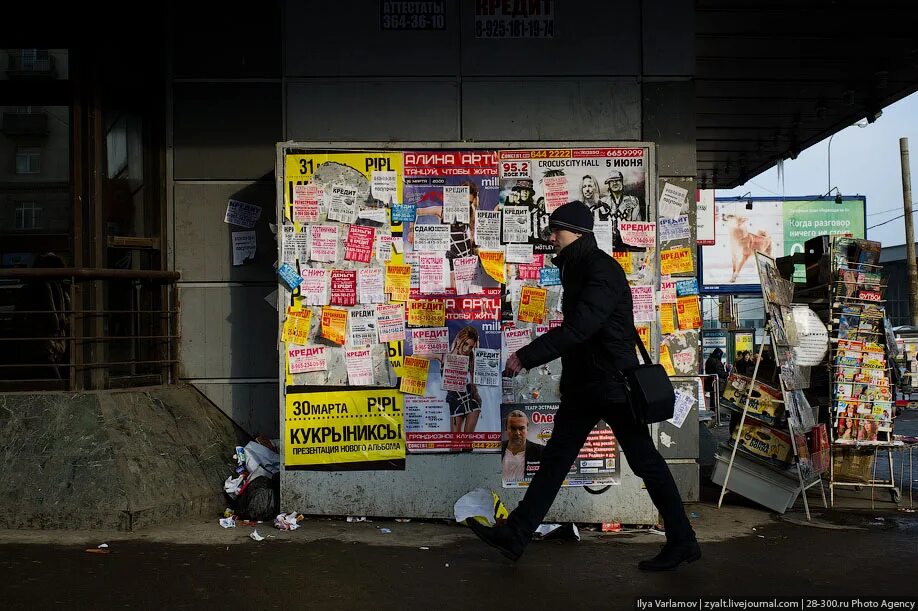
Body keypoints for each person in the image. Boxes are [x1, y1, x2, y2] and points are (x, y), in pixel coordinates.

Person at [465, 201, 700, 571]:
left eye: (555, 232)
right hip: (587, 387)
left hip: (612, 385)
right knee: (555, 461)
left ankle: (683, 540)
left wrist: (527, 356)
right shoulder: (578, 269)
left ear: (573, 232)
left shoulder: (600, 270)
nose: (551, 240)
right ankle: (517, 533)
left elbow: (580, 328)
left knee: (645, 463)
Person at [445, 326, 482, 438]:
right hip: (455, 402)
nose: (467, 349)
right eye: (465, 344)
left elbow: (474, 380)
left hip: (472, 401)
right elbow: (420, 354)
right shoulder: (445, 356)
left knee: (467, 443)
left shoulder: (472, 359)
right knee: (455, 444)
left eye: (470, 347)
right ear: (458, 340)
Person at [600, 171, 643, 250]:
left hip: (628, 245)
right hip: (607, 245)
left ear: (622, 182)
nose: (615, 183)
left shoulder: (633, 200)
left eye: (617, 180)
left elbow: (637, 226)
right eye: (612, 181)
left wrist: (629, 214)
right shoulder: (603, 202)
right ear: (609, 185)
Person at [501, 410, 544, 484]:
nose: (517, 433)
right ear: (506, 428)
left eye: (521, 428)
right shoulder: (497, 448)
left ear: (527, 429)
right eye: (513, 428)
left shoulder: (541, 451)